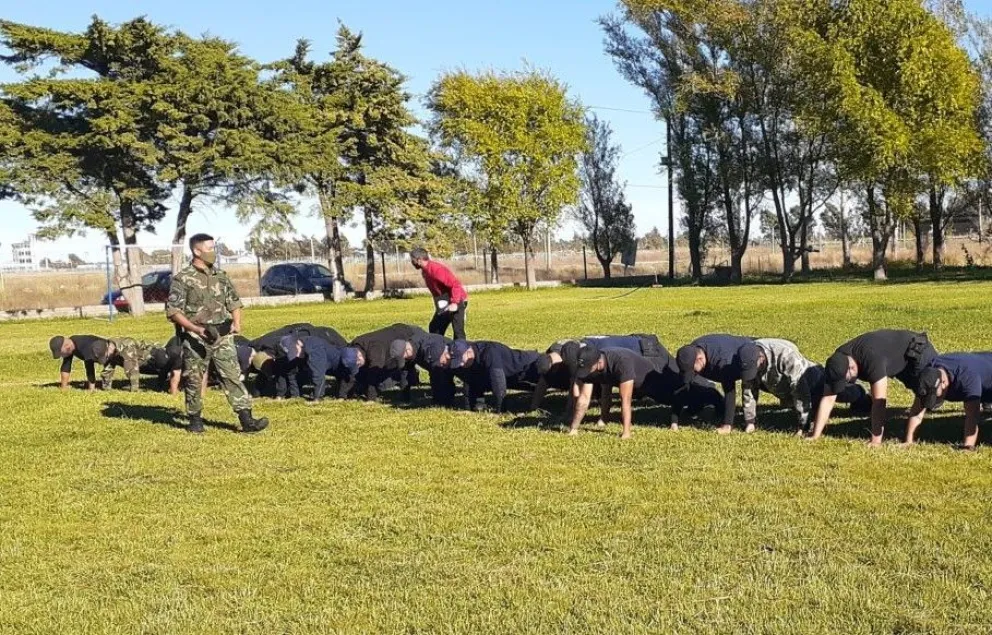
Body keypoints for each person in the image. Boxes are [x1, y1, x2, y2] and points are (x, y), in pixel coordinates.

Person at [166, 233, 268, 434]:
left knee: (232, 376)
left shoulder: (220, 276)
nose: (214, 252)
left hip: (222, 335)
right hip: (196, 337)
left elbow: (234, 301)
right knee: (194, 378)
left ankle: (247, 420)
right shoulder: (183, 278)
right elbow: (173, 311)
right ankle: (195, 420)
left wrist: (237, 322)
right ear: (197, 250)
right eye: (210, 248)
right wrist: (195, 329)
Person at [809, 329, 936, 446]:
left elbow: (879, 402)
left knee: (930, 397)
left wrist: (876, 441)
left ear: (852, 368)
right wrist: (815, 435)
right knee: (924, 401)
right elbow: (828, 399)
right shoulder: (837, 361)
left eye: (846, 380)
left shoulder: (870, 359)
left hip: (918, 351)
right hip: (899, 360)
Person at [569, 343, 724, 439]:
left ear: (599, 362)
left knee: (683, 394)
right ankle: (697, 405)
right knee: (685, 397)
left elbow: (626, 400)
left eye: (588, 369)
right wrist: (573, 429)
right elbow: (585, 398)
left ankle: (712, 395)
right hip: (638, 384)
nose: (587, 373)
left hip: (654, 384)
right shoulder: (592, 365)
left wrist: (626, 432)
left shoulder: (621, 363)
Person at [744, 338, 870, 434]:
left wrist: (803, 427)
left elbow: (800, 392)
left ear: (761, 358)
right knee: (812, 406)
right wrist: (750, 422)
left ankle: (861, 394)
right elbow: (748, 389)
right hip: (782, 385)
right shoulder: (747, 354)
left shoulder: (786, 355)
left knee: (840, 393)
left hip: (813, 381)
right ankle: (812, 409)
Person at [676, 334, 761, 434]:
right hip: (730, 352)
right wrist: (675, 420)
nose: (693, 373)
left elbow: (730, 392)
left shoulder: (721, 362)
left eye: (693, 370)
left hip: (754, 354)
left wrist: (727, 425)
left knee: (764, 383)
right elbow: (685, 385)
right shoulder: (691, 352)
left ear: (700, 359)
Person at [905, 353, 992, 449]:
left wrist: (968, 446)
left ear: (943, 383)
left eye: (937, 396)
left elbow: (972, 416)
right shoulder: (928, 376)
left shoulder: (966, 378)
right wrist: (909, 441)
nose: (936, 400)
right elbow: (917, 412)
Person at [441, 340, 542, 413]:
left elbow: (498, 382)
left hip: (528, 368)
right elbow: (469, 380)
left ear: (469, 352)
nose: (461, 365)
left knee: (548, 381)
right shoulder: (468, 359)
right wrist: (470, 408)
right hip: (511, 379)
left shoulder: (489, 352)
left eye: (461, 361)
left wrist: (500, 411)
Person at [250, 323, 347, 399]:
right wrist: (288, 395)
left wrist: (318, 397)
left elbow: (318, 372)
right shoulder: (281, 348)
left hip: (329, 337)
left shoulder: (311, 346)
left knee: (343, 366)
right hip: (305, 341)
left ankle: (349, 389)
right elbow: (289, 371)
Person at [345, 324, 427, 401]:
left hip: (409, 334)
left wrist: (371, 398)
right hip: (395, 336)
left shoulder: (375, 350)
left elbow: (374, 374)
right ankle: (412, 379)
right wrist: (343, 394)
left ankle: (409, 389)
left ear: (359, 355)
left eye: (358, 364)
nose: (357, 366)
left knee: (416, 364)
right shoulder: (352, 346)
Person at [279, 335, 363, 403]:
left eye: (295, 352)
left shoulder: (313, 348)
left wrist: (317, 398)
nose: (296, 355)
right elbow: (292, 372)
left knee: (348, 389)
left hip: (344, 369)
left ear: (298, 343)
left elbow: (318, 374)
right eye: (292, 354)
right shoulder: (303, 346)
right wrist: (295, 396)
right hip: (331, 366)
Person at [410, 247, 468, 340]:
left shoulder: (436, 270)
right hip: (445, 301)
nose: (412, 263)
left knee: (458, 332)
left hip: (457, 299)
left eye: (412, 260)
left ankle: (460, 352)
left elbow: (455, 284)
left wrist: (454, 303)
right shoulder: (425, 271)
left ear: (419, 260)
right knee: (435, 328)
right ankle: (438, 350)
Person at [390, 333, 457, 406]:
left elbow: (438, 373)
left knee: (441, 378)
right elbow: (405, 372)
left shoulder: (429, 349)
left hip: (451, 357)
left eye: (404, 357)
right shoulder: (410, 350)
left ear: (408, 350)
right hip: (436, 364)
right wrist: (405, 395)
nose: (405, 359)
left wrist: (438, 401)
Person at [95, 337, 165, 392]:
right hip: (141, 363)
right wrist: (106, 388)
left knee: (164, 371)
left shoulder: (127, 346)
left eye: (106, 356)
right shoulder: (109, 348)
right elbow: (107, 370)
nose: (106, 358)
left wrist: (134, 389)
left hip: (152, 359)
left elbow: (132, 369)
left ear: (108, 348)